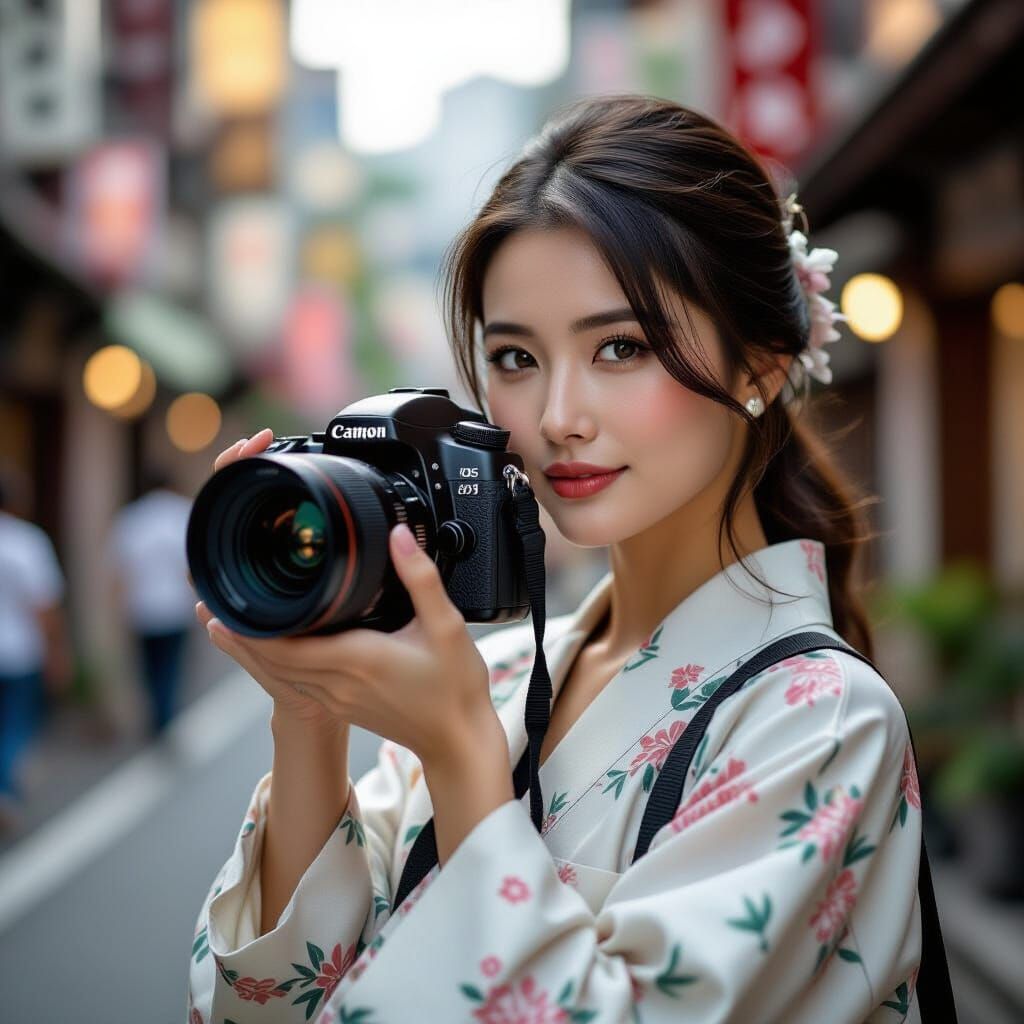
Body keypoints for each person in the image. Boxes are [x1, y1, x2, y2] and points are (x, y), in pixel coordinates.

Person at [187, 97, 927, 1022]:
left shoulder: (821, 721)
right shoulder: (490, 675)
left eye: (621, 347)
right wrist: (307, 716)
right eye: (515, 356)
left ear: (760, 367)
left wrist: (461, 759)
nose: (554, 417)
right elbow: (269, 1008)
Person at [0, 464, 72, 832]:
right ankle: (5, 790)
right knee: (15, 726)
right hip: (19, 653)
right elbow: (44, 607)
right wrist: (56, 653)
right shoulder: (27, 542)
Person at [107, 471, 194, 737]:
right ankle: (164, 718)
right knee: (171, 667)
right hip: (176, 606)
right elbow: (191, 565)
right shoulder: (182, 513)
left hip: (142, 607)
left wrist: (119, 608)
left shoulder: (132, 518)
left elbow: (120, 571)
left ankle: (159, 716)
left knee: (149, 668)